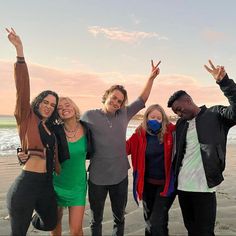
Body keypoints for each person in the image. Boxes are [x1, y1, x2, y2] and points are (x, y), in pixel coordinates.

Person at [81, 60, 161, 236]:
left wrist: (151, 78)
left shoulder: (124, 114)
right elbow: (71, 133)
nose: (116, 103)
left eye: (120, 101)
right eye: (114, 98)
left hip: (120, 176)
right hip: (96, 178)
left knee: (119, 218)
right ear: (107, 95)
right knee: (96, 220)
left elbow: (142, 99)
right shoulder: (89, 116)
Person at [167, 60, 236, 236]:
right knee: (191, 231)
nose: (178, 113)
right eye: (175, 112)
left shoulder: (215, 114)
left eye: (179, 109)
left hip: (204, 189)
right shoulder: (181, 124)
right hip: (182, 188)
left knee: (205, 232)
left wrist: (225, 82)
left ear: (188, 100)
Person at [6, 28, 60, 235]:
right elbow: (22, 88)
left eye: (52, 104)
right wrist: (20, 52)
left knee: (50, 222)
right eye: (45, 101)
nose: (48, 106)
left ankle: (27, 216)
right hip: (26, 185)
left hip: (46, 184)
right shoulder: (26, 116)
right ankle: (20, 214)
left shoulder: (51, 127)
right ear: (38, 102)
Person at [126, 104, 176, 236]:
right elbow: (125, 148)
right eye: (152, 117)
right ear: (146, 117)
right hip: (146, 185)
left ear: (163, 119)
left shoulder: (171, 131)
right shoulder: (139, 134)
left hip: (166, 186)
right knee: (150, 222)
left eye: (159, 118)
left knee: (156, 223)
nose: (155, 120)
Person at [51, 97, 93, 236]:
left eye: (67, 105)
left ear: (74, 107)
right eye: (59, 108)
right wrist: (23, 155)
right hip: (55, 184)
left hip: (78, 186)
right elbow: (38, 147)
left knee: (76, 230)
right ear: (57, 114)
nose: (64, 109)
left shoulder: (87, 129)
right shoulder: (54, 131)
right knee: (55, 228)